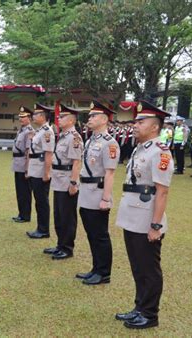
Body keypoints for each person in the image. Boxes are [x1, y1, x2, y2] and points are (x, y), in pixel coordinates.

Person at [115, 100, 174, 329]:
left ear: (155, 127)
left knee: (149, 270)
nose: (135, 124)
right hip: (132, 216)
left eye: (141, 121)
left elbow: (162, 191)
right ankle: (139, 307)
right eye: (135, 121)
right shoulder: (141, 148)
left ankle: (150, 315)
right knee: (138, 267)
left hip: (147, 219)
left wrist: (156, 226)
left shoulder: (160, 152)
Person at [76, 100, 120, 285]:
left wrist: (106, 199)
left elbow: (110, 173)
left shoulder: (110, 144)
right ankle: (95, 268)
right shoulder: (91, 140)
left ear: (103, 119)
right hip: (86, 191)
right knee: (91, 233)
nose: (90, 118)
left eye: (94, 116)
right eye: (90, 115)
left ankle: (104, 273)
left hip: (97, 193)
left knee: (100, 234)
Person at [43, 104, 83, 260]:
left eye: (63, 117)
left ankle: (67, 248)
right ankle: (60, 244)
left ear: (72, 120)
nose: (59, 119)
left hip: (67, 180)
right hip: (59, 178)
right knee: (59, 215)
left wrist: (73, 183)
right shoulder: (64, 136)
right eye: (59, 117)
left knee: (67, 216)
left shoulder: (74, 137)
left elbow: (76, 162)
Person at [25, 103, 55, 239]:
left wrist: (46, 173)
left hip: (41, 169)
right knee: (38, 200)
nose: (33, 116)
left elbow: (48, 154)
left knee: (42, 201)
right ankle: (40, 227)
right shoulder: (40, 130)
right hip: (35, 167)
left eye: (36, 114)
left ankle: (43, 230)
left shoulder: (47, 131)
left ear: (43, 116)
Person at [11, 106, 34, 223]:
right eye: (19, 117)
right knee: (19, 191)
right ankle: (21, 213)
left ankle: (26, 215)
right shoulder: (21, 130)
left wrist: (27, 169)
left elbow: (28, 151)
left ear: (29, 118)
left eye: (23, 117)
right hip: (17, 164)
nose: (20, 119)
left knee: (25, 192)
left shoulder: (29, 131)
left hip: (23, 164)